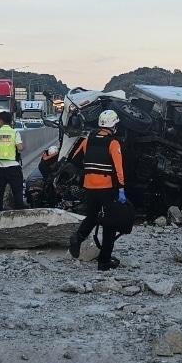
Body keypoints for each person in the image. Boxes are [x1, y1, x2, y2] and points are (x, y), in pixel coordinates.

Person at [69, 109, 126, 271]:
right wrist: (121, 189)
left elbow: (75, 160)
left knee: (92, 216)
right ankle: (104, 261)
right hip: (107, 188)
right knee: (110, 224)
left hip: (89, 186)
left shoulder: (88, 140)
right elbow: (119, 169)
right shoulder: (113, 143)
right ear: (113, 125)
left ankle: (78, 237)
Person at [0, 111, 25, 211]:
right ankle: (19, 214)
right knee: (17, 192)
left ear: (0, 121)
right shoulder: (15, 132)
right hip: (14, 168)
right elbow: (20, 148)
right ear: (10, 121)